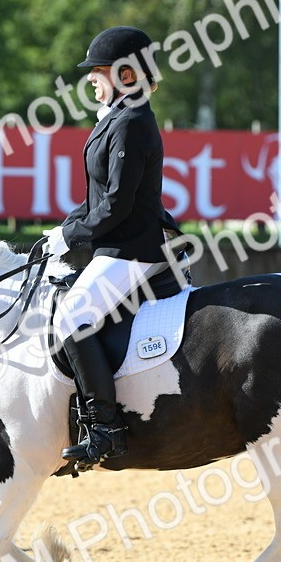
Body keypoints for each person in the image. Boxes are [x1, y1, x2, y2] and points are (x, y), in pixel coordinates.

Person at [45, 26, 181, 466]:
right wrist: (62, 230)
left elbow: (118, 204)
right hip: (116, 246)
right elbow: (96, 199)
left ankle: (105, 429)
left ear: (124, 74)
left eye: (97, 71)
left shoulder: (133, 121)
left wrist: (72, 235)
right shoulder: (119, 117)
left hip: (133, 249)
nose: (90, 79)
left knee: (71, 318)